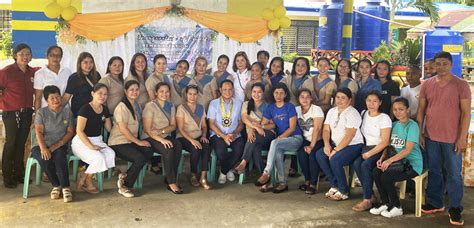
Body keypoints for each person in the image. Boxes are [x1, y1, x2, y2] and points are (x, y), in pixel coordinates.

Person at [417, 52, 471, 226]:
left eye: (444, 63)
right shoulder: (427, 85)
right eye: (437, 64)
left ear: (451, 64)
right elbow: (421, 111)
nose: (440, 67)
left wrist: (462, 137)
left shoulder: (461, 85)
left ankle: (455, 208)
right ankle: (435, 202)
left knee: (454, 174)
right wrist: (420, 133)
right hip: (431, 136)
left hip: (452, 138)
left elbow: (465, 114)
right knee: (434, 170)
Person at [370, 97, 423, 218]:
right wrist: (382, 158)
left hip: (411, 164)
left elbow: (408, 150)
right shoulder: (393, 124)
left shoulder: (412, 126)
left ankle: (397, 206)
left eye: (401, 109)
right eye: (395, 109)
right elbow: (388, 146)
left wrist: (389, 161)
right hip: (397, 162)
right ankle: (385, 202)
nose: (397, 112)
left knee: (386, 176)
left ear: (408, 110)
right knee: (376, 171)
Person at [316, 88, 364, 200]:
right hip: (336, 144)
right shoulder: (332, 111)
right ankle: (334, 184)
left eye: (343, 98)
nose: (340, 100)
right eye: (337, 97)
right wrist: (327, 144)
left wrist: (336, 150)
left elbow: (350, 135)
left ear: (349, 100)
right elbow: (326, 129)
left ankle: (343, 190)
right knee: (320, 155)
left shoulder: (353, 113)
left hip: (353, 145)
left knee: (335, 159)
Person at [108, 80, 154, 198]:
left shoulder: (137, 105)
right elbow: (123, 130)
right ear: (125, 91)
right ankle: (125, 186)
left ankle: (125, 176)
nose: (134, 92)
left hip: (130, 141)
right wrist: (139, 142)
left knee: (149, 150)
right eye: (131, 90)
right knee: (139, 158)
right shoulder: (121, 107)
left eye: (137, 89)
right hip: (118, 142)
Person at [255, 83, 303, 193]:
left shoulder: (289, 107)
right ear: (273, 94)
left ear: (285, 94)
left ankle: (266, 173)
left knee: (275, 143)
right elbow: (264, 123)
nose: (279, 95)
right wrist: (261, 126)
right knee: (277, 152)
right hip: (282, 141)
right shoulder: (270, 108)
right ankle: (282, 183)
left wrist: (279, 138)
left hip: (295, 138)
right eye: (276, 92)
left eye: (281, 93)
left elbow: (291, 128)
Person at [0, 43, 36, 188]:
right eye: (21, 54)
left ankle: (19, 174)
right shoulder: (6, 72)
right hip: (10, 113)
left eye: (28, 53)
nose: (25, 56)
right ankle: (7, 177)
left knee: (21, 144)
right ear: (15, 56)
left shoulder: (33, 72)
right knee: (11, 143)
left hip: (27, 112)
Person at [31, 85, 75, 202]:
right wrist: (43, 148)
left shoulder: (67, 112)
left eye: (57, 97)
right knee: (44, 158)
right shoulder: (41, 112)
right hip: (41, 144)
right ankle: (56, 185)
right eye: (52, 98)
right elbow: (38, 132)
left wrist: (58, 144)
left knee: (60, 157)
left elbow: (70, 132)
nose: (56, 100)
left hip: (60, 144)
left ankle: (66, 187)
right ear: (46, 100)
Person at [71, 83, 115, 194]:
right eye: (99, 93)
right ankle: (89, 181)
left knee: (111, 154)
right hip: (81, 141)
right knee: (98, 158)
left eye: (105, 94)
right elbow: (79, 131)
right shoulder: (85, 109)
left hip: (97, 140)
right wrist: (91, 146)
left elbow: (109, 128)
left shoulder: (104, 109)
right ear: (92, 94)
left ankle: (85, 175)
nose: (102, 96)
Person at [352, 90, 391, 211]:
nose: (371, 103)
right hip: (366, 147)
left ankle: (367, 199)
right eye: (369, 100)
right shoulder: (363, 113)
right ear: (365, 101)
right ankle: (371, 195)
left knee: (365, 165)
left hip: (380, 149)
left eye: (375, 101)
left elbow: (385, 142)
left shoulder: (384, 118)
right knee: (356, 163)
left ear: (380, 103)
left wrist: (369, 153)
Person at [142, 82, 183, 194]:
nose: (164, 94)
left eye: (167, 91)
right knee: (168, 149)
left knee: (178, 145)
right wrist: (161, 139)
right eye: (161, 91)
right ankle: (171, 182)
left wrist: (161, 131)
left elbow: (173, 126)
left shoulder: (171, 106)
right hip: (150, 137)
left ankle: (170, 176)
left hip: (164, 135)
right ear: (156, 92)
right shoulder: (150, 106)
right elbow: (147, 129)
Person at [207, 79, 245, 184]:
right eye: (225, 90)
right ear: (220, 90)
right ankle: (228, 170)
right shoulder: (214, 103)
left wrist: (235, 134)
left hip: (234, 134)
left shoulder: (238, 103)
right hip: (218, 135)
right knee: (220, 151)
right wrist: (224, 136)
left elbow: (241, 123)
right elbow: (211, 124)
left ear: (233, 90)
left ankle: (223, 171)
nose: (227, 92)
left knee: (239, 150)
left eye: (230, 89)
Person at [281, 57, 313, 176]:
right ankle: (279, 164)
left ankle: (294, 167)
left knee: (298, 136)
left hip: (301, 113)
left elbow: (306, 98)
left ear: (307, 68)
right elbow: (279, 91)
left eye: (303, 65)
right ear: (294, 66)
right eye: (298, 65)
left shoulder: (308, 80)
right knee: (284, 135)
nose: (300, 68)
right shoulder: (287, 78)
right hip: (286, 113)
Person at [234, 83, 275, 175]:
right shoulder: (246, 104)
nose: (256, 94)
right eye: (254, 92)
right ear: (251, 92)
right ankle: (263, 175)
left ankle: (243, 163)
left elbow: (273, 125)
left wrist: (256, 129)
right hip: (252, 134)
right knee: (256, 148)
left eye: (259, 92)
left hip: (267, 133)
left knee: (253, 138)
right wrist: (255, 127)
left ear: (263, 93)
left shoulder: (268, 106)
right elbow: (244, 118)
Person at [176, 85, 211, 190]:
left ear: (197, 95)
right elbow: (181, 129)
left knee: (206, 146)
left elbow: (204, 126)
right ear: (186, 95)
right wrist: (192, 141)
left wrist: (204, 135)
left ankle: (203, 177)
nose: (192, 96)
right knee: (196, 148)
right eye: (190, 94)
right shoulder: (181, 108)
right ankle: (193, 175)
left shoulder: (201, 107)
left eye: (195, 94)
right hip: (184, 137)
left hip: (198, 135)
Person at [296, 89, 324, 195]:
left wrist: (311, 146)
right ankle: (307, 180)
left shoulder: (316, 109)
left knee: (312, 155)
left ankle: (313, 183)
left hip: (317, 140)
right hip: (304, 139)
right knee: (301, 154)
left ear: (311, 98)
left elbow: (317, 129)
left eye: (307, 97)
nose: (305, 99)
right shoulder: (296, 109)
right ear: (298, 99)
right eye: (302, 96)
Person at [62, 52, 101, 118]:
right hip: (79, 113)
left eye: (91, 62)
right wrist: (55, 108)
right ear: (80, 64)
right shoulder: (74, 77)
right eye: (85, 62)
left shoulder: (97, 75)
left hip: (95, 111)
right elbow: (66, 97)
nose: (89, 65)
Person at [34, 46, 72, 110]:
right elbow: (38, 98)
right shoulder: (40, 74)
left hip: (64, 112)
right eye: (52, 55)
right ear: (47, 56)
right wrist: (37, 116)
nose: (55, 58)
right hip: (47, 113)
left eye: (58, 55)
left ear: (61, 57)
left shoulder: (67, 72)